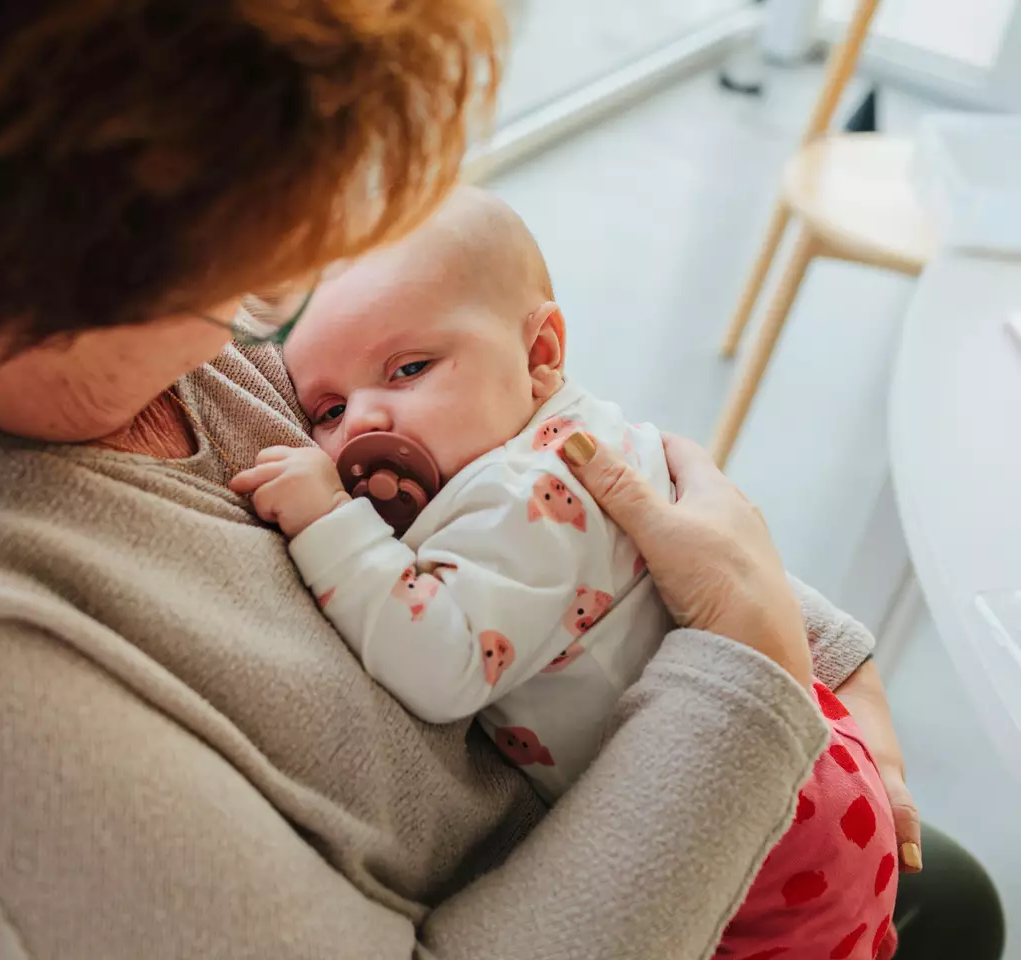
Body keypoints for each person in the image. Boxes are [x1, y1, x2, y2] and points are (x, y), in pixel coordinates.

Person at [0, 1, 1002, 958]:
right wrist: (748, 671)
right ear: (38, 286)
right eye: (255, 287)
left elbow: (525, 480)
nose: (270, 339)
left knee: (961, 902)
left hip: (639, 798)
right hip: (648, 845)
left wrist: (807, 636)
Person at [234, 188, 898, 957]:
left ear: (541, 354)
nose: (364, 425)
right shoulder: (564, 433)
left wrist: (329, 524)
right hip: (803, 772)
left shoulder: (526, 498)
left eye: (410, 368)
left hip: (764, 835)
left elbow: (443, 664)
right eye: (325, 411)